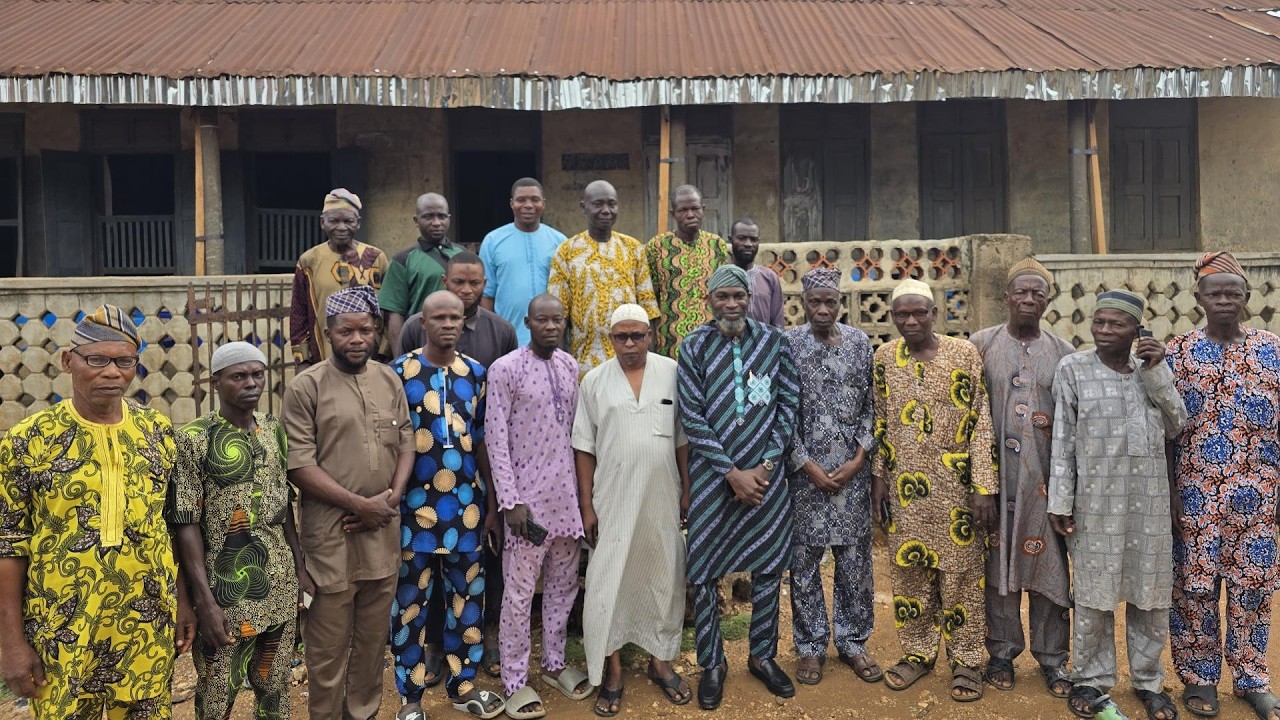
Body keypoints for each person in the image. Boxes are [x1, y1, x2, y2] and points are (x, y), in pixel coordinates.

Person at [0, 305, 196, 718]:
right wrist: (12, 644)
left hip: (144, 624)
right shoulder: (28, 441)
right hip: (62, 630)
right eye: (97, 360)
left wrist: (182, 601)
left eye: (124, 361)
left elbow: (168, 526)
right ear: (68, 361)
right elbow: (8, 546)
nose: (112, 372)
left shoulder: (156, 432)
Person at [1047, 289, 1187, 720]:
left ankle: (1148, 682)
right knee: (1093, 597)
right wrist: (1060, 500)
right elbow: (1063, 440)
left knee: (1150, 598)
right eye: (1099, 322)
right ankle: (1090, 679)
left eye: (1117, 324)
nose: (1105, 331)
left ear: (1136, 330)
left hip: (1148, 507)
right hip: (1095, 505)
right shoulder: (1073, 369)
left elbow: (1176, 423)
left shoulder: (1154, 370)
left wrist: (1155, 370)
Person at [281, 286, 415, 720]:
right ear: (327, 333)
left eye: (365, 330)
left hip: (382, 535)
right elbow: (299, 465)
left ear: (376, 331)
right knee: (326, 651)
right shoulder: (306, 387)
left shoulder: (389, 378)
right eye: (346, 332)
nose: (357, 339)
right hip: (332, 539)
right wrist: (361, 503)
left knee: (373, 647)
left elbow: (408, 440)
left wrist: (390, 498)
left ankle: (364, 713)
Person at [677, 264, 800, 710]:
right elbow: (692, 415)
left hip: (767, 478)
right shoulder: (693, 346)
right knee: (707, 569)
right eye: (722, 296)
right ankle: (713, 661)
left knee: (769, 567)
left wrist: (765, 466)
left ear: (749, 298)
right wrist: (731, 472)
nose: (731, 304)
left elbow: (788, 405)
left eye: (738, 296)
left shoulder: (774, 342)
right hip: (714, 478)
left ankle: (762, 656)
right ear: (708, 300)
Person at [871, 278, 996, 703]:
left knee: (961, 577)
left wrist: (984, 486)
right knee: (909, 576)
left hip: (957, 490)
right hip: (905, 491)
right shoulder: (884, 358)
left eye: (919, 312)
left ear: (934, 314)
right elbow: (881, 422)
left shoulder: (964, 354)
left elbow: (982, 422)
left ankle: (965, 660)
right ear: (892, 317)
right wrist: (879, 479)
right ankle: (918, 654)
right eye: (901, 314)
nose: (910, 320)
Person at [170, 341, 311, 720]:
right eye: (239, 376)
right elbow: (185, 523)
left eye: (257, 374)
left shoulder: (273, 428)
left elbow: (284, 507)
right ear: (216, 382)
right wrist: (205, 602)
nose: (251, 383)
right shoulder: (194, 438)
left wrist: (298, 567)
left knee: (274, 687)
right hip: (225, 592)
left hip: (277, 584)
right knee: (217, 693)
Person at [1166, 252, 1280, 720]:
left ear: (1247, 298)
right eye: (1215, 293)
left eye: (1233, 292)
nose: (1225, 300)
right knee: (1194, 588)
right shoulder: (1178, 352)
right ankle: (1200, 678)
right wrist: (1171, 493)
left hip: (1260, 495)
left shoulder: (1272, 348)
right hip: (1195, 491)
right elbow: (1163, 430)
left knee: (1253, 586)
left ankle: (1252, 678)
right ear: (1199, 298)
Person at [396, 251, 517, 681]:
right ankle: (410, 689)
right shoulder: (400, 372)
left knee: (468, 600)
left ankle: (463, 683)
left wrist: (493, 504)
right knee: (411, 601)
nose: (449, 324)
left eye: (455, 318)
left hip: (467, 506)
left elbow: (486, 440)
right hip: (415, 508)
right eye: (440, 317)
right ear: (423, 323)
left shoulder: (478, 373)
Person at [574, 304, 693, 716]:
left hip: (662, 494)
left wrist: (687, 489)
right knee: (608, 578)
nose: (630, 344)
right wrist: (586, 505)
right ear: (610, 339)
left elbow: (681, 437)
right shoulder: (594, 381)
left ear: (651, 335)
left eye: (637, 335)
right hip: (612, 497)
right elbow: (583, 446)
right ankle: (613, 670)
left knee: (663, 572)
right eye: (621, 336)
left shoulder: (672, 372)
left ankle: (660, 660)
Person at [968, 258, 1075, 699]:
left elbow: (1072, 423)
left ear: (1048, 300)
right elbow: (971, 417)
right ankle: (1001, 653)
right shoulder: (980, 345)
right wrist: (981, 486)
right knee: (997, 568)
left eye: (1038, 293)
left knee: (1051, 572)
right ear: (1006, 298)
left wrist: (1067, 492)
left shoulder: (1065, 353)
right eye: (1021, 292)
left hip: (1046, 485)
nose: (1029, 299)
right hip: (996, 484)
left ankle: (1053, 661)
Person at [485, 294, 592, 719]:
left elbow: (577, 434)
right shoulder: (506, 369)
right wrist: (510, 502)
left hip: (566, 502)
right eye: (542, 320)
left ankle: (553, 664)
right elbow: (495, 438)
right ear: (527, 322)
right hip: (527, 506)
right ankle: (514, 680)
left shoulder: (570, 366)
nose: (550, 326)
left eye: (557, 320)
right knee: (519, 595)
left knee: (564, 587)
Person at [784, 268, 881, 687]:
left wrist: (860, 457)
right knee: (804, 562)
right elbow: (781, 410)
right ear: (802, 304)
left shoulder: (860, 343)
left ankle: (853, 642)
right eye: (815, 303)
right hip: (805, 477)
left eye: (830, 302)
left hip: (851, 475)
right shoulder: (788, 344)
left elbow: (871, 405)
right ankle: (810, 647)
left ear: (840, 303)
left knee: (854, 561)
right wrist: (805, 464)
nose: (823, 310)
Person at [547, 180, 659, 379]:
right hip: (584, 365)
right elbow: (559, 316)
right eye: (598, 204)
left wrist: (650, 360)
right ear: (584, 207)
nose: (606, 210)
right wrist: (559, 365)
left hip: (629, 360)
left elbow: (648, 309)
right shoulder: (566, 251)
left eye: (612, 204)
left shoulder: (633, 248)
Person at [290, 188, 389, 366]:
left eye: (348, 221)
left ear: (358, 223)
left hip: (371, 359)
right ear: (322, 223)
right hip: (324, 360)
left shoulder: (376, 258)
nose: (342, 227)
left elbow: (388, 310)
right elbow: (299, 314)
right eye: (334, 221)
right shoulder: (309, 261)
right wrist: (302, 361)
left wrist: (384, 354)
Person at [644, 184, 730, 357]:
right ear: (673, 214)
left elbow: (724, 293)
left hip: (711, 340)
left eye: (695, 209)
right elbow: (650, 299)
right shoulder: (657, 247)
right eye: (683, 210)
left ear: (703, 210)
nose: (690, 215)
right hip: (670, 343)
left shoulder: (716, 245)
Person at [480, 178, 567, 345]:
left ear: (543, 203)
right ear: (512, 203)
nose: (528, 205)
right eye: (521, 200)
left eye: (535, 199)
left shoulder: (560, 242)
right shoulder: (493, 241)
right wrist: (493, 335)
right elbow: (487, 295)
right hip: (508, 340)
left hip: (551, 340)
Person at [396, 251, 519, 367]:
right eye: (459, 282)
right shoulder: (415, 326)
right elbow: (401, 373)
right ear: (445, 281)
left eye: (474, 283)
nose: (466, 290)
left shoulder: (503, 331)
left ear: (484, 284)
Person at [380, 193, 463, 349]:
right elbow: (394, 315)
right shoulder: (403, 260)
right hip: (420, 342)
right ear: (416, 220)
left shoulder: (463, 255)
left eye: (441, 216)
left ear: (449, 218)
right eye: (428, 217)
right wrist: (401, 356)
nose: (436, 222)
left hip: (462, 340)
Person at [729, 218, 785, 328]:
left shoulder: (769, 277)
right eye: (742, 238)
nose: (748, 244)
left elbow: (777, 322)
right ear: (731, 239)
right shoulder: (722, 276)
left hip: (764, 343)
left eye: (753, 239)